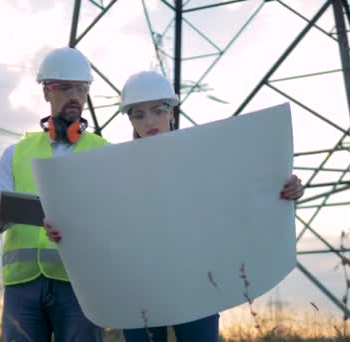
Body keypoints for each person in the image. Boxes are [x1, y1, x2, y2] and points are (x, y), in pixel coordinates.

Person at [45, 70, 304, 341]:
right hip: (138, 287)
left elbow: (240, 195)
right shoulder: (114, 169)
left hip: (196, 283)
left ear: (171, 111)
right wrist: (62, 227)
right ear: (130, 119)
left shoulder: (201, 158)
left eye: (157, 110)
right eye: (139, 114)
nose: (149, 121)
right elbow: (93, 218)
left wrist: (285, 190)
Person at [0, 47, 109, 342]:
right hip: (23, 287)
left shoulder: (103, 153)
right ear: (47, 92)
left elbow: (115, 220)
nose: (74, 95)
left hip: (79, 285)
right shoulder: (16, 154)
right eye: (64, 88)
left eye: (81, 88)